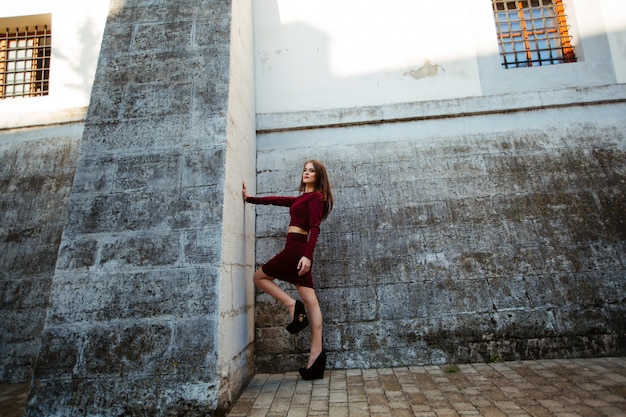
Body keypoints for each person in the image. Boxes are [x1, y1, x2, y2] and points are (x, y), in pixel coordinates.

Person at [242, 160, 334, 380]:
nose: (306, 173)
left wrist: (307, 256)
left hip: (296, 251)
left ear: (319, 175)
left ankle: (293, 305)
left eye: (311, 170)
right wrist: (250, 199)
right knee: (311, 303)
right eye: (305, 170)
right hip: (295, 250)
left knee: (259, 276)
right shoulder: (302, 198)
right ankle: (316, 355)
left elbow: (315, 228)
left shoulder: (316, 198)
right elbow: (276, 200)